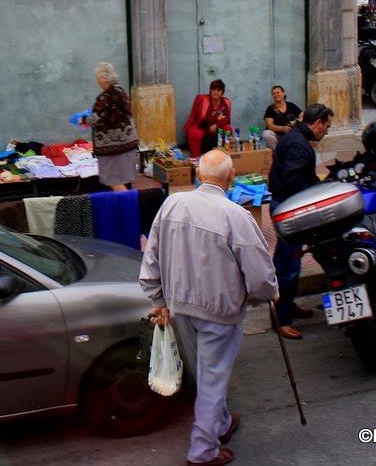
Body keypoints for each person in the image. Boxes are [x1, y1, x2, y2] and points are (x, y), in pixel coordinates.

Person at [140, 149, 278, 466]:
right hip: (219, 312)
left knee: (207, 374)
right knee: (212, 378)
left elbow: (152, 255)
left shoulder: (173, 204)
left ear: (199, 175)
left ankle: (220, 422)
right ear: (231, 177)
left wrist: (158, 299)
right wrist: (271, 292)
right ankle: (202, 451)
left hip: (181, 307)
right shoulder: (236, 216)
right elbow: (260, 276)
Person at [268, 103, 333, 340]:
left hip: (285, 206)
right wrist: (315, 193)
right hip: (290, 210)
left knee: (284, 262)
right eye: (327, 126)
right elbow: (294, 180)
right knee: (289, 265)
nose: (327, 131)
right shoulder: (298, 143)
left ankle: (286, 305)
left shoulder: (296, 138)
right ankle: (282, 319)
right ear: (318, 123)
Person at [82, 62, 138, 191]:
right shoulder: (120, 91)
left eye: (98, 78)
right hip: (127, 141)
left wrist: (83, 119)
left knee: (113, 179)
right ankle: (125, 200)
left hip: (112, 147)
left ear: (103, 79)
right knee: (122, 178)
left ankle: (129, 202)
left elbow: (97, 119)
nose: (97, 81)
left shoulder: (106, 97)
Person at [183, 79, 231, 156]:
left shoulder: (225, 102)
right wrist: (216, 119)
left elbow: (227, 119)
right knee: (193, 132)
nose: (216, 92)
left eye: (218, 90)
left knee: (228, 128)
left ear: (222, 92)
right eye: (214, 90)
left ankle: (224, 154)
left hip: (217, 128)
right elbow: (202, 119)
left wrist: (216, 125)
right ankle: (195, 159)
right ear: (210, 90)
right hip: (203, 127)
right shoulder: (204, 100)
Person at [262, 85, 302, 151]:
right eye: (273, 94)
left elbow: (303, 116)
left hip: (291, 134)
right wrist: (282, 128)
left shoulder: (291, 105)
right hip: (277, 136)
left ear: (284, 93)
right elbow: (270, 126)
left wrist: (296, 122)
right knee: (266, 134)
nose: (276, 95)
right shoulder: (270, 109)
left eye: (278, 92)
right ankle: (280, 152)